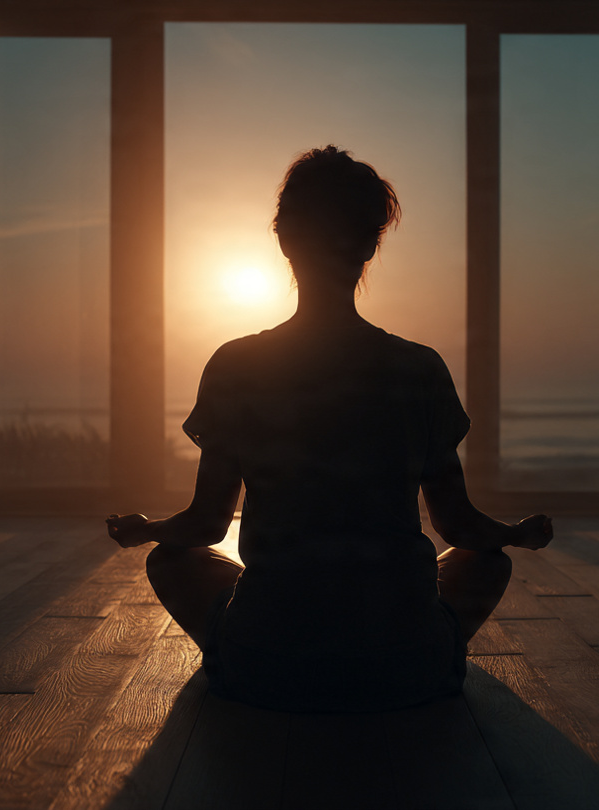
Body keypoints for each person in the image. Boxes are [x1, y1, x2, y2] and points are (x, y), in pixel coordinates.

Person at [107, 146, 552, 712]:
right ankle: (398, 657)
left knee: (170, 561)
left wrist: (148, 529)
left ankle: (273, 654)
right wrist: (513, 533)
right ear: (370, 244)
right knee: (488, 562)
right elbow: (460, 526)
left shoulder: (236, 366)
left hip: (265, 668)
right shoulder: (420, 369)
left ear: (284, 239)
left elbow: (204, 524)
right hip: (407, 668)